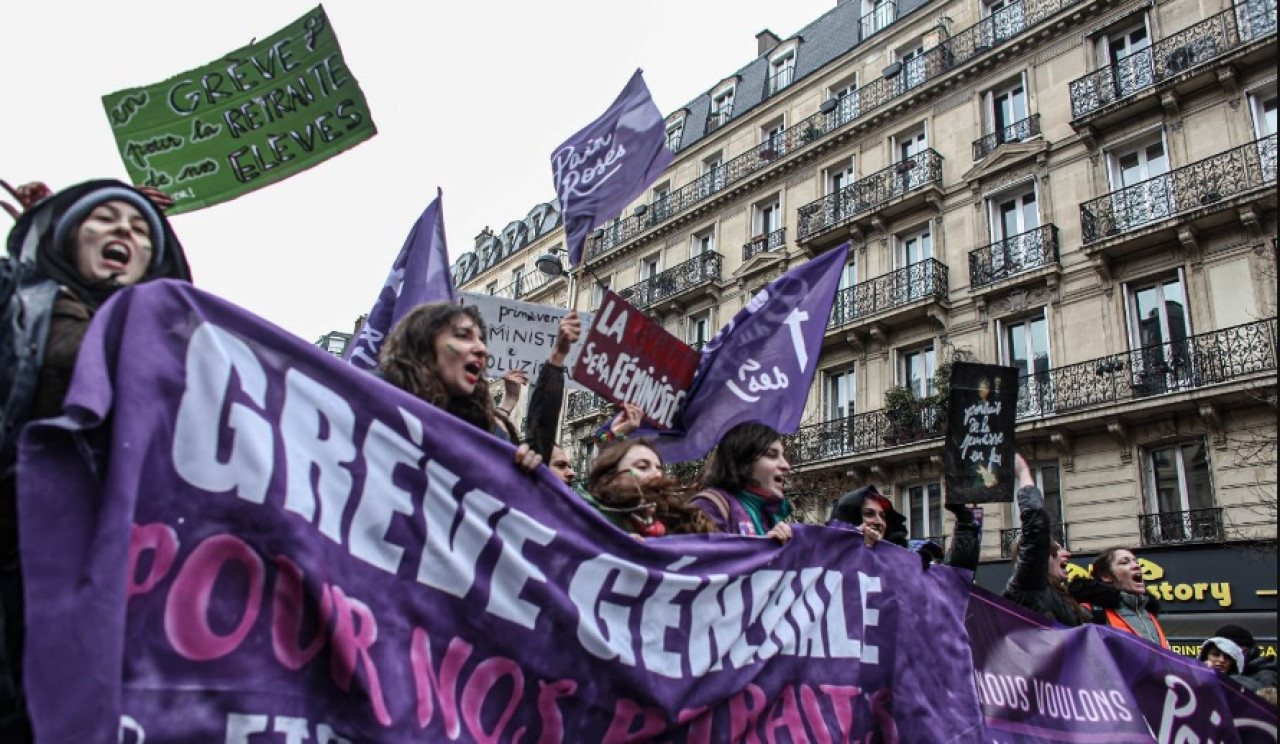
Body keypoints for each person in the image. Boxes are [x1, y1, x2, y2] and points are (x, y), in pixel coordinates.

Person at [1, 178, 194, 742]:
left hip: (122, 567)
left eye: (139, 230)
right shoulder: (19, 302)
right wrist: (36, 226)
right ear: (68, 238)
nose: (124, 233)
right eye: (104, 219)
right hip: (21, 546)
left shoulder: (172, 339)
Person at [378, 302, 540, 472]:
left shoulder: (486, 431)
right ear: (422, 344)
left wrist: (518, 471)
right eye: (463, 336)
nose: (482, 349)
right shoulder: (374, 399)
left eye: (481, 340)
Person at [1002, 454, 1093, 626]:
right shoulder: (1028, 586)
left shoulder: (1060, 595)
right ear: (1041, 557)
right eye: (1056, 551)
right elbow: (1036, 527)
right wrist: (1022, 473)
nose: (1067, 554)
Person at [583, 438, 714, 537]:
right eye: (642, 467)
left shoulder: (680, 524)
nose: (657, 474)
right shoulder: (591, 522)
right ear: (611, 479)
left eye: (659, 468)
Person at [691, 422, 794, 544]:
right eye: (772, 455)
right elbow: (708, 560)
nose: (786, 466)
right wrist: (762, 549)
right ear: (743, 461)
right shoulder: (708, 506)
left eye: (783, 456)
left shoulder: (770, 517)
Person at [1070, 547, 1169, 648]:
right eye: (1124, 562)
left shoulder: (1149, 613)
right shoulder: (1090, 612)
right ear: (1106, 576)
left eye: (1136, 562)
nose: (1136, 566)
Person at [827, 485, 907, 549]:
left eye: (882, 516)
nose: (879, 522)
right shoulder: (825, 553)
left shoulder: (903, 556)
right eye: (869, 513)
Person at [1213, 624, 1278, 690]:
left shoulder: (1266, 675)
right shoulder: (1232, 670)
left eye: (1228, 651)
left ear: (1244, 650)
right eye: (1216, 654)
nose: (1221, 659)